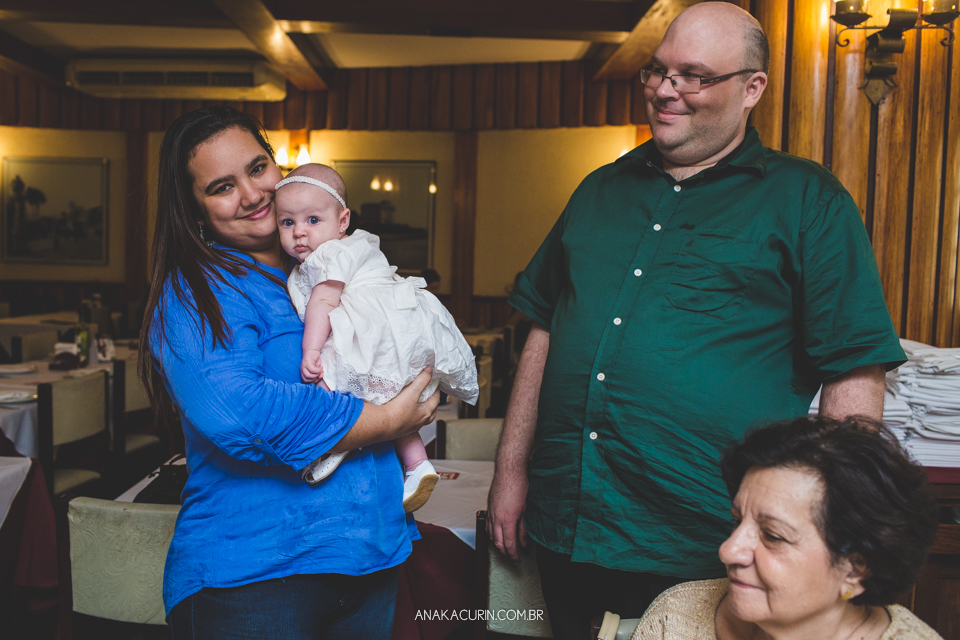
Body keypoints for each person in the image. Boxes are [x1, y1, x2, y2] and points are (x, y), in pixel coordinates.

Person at [486, 3, 907, 638]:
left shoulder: (809, 200)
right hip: (568, 523)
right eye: (657, 71)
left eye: (694, 76)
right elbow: (544, 328)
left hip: (709, 539)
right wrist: (510, 471)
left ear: (751, 89)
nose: (663, 90)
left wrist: (833, 524)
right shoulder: (598, 189)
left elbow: (852, 367)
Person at [139, 106, 439, 639]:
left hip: (372, 554)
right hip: (255, 575)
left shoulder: (331, 269)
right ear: (195, 209)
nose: (252, 194)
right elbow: (240, 411)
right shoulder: (197, 290)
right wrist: (389, 419)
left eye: (258, 168)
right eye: (222, 186)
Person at [624, 416, 941, 640]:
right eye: (738, 521)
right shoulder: (678, 616)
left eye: (772, 535)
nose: (728, 550)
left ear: (857, 567)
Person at [277, 163, 478, 511]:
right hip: (399, 329)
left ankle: (334, 442)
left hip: (368, 329)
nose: (299, 233)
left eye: (312, 220)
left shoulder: (329, 255)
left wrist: (311, 350)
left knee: (325, 374)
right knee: (391, 403)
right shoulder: (357, 244)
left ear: (342, 221)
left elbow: (323, 302)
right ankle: (418, 466)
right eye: (287, 222)